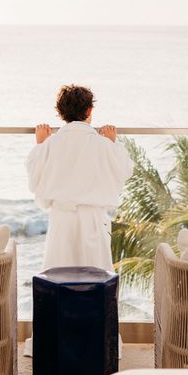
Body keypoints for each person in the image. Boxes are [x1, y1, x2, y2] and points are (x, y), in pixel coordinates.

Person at [26, 84, 133, 274]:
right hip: (93, 220)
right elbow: (124, 170)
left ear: (61, 114)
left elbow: (35, 177)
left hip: (61, 219)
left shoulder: (51, 145)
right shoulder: (103, 145)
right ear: (89, 110)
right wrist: (112, 143)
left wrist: (40, 144)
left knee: (58, 280)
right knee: (96, 281)